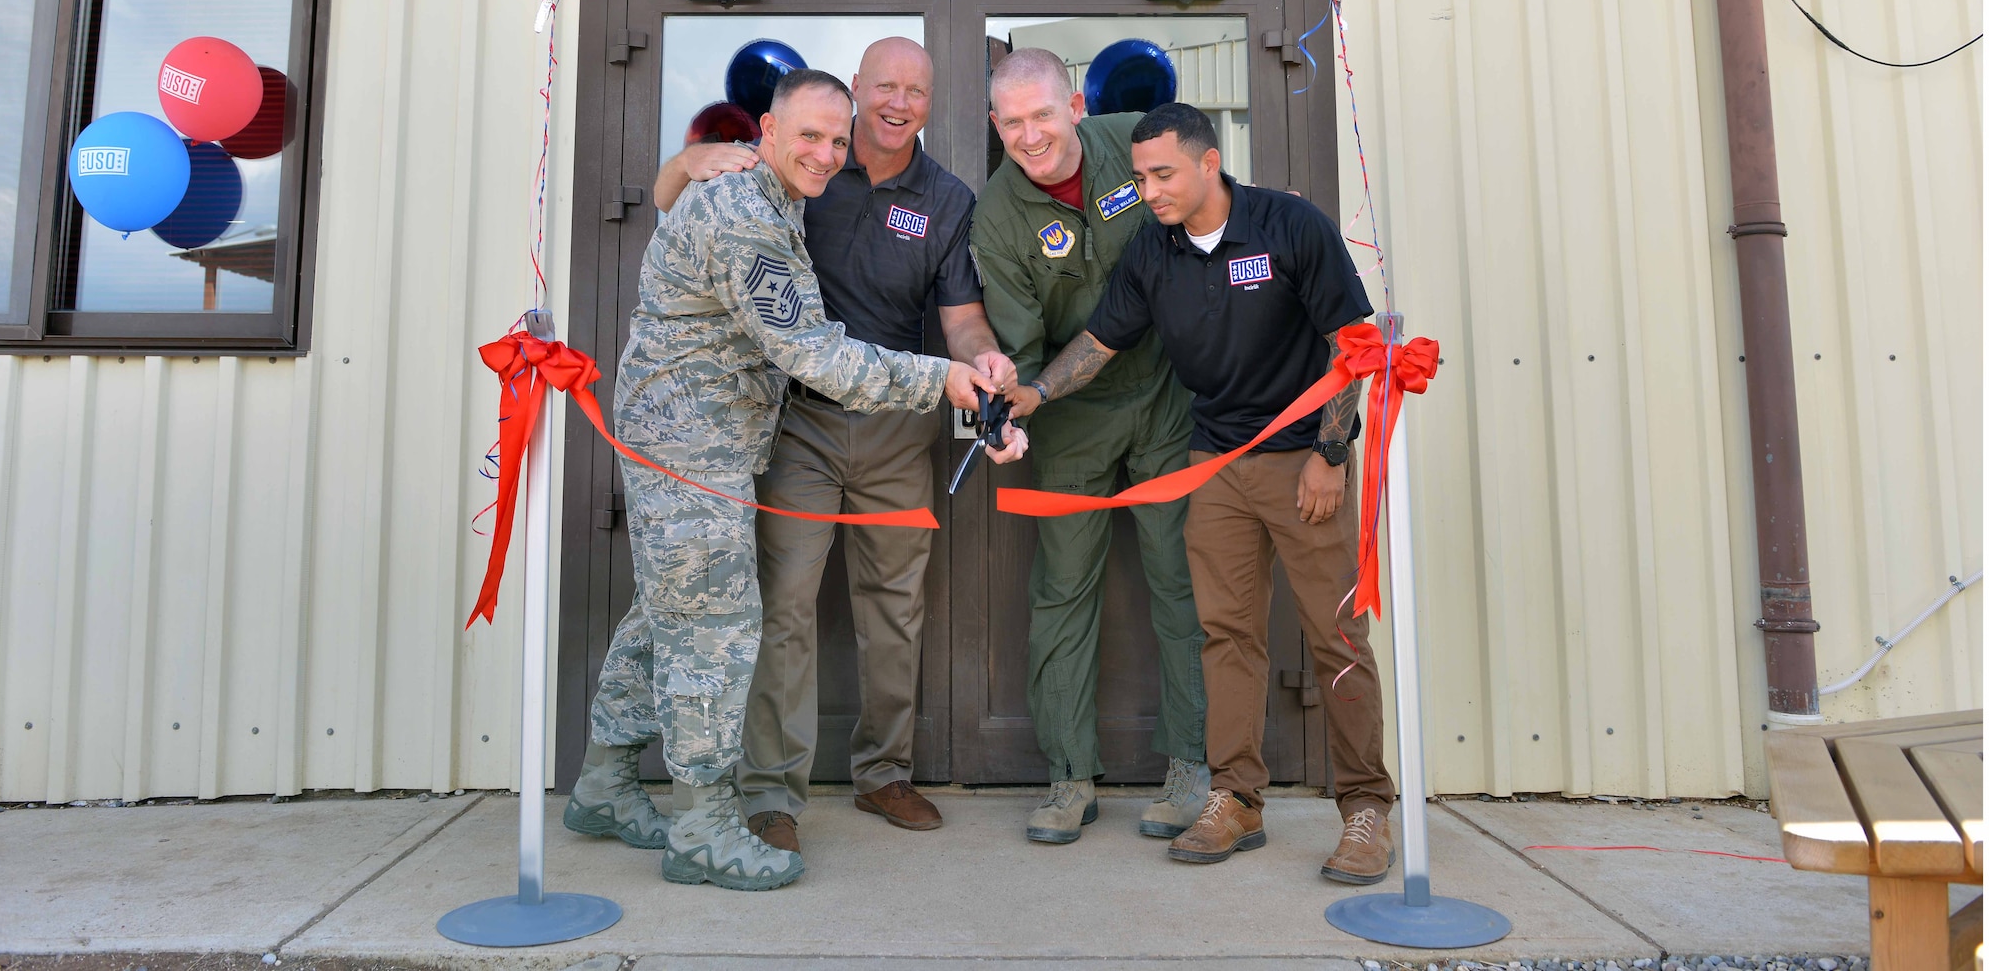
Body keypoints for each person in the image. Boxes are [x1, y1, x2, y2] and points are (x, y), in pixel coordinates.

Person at [562, 68, 1026, 893]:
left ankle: (605, 780)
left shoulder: (776, 197)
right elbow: (811, 350)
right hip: (692, 447)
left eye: (836, 140)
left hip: (705, 441)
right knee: (713, 629)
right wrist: (941, 380)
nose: (825, 153)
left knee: (664, 614)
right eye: (808, 135)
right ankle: (704, 826)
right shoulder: (746, 213)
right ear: (766, 133)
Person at [1015, 101, 1396, 883]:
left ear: (1208, 163)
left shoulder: (1290, 226)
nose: (1149, 191)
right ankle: (1236, 796)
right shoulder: (1152, 251)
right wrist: (1036, 393)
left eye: (1163, 174)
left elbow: (1351, 343)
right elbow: (1101, 340)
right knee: (1226, 635)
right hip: (1215, 461)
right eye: (1140, 177)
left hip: (1303, 461)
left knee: (1335, 636)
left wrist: (1330, 453)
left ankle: (1366, 807)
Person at [970, 48, 1210, 846]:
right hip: (1069, 409)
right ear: (996, 124)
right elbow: (1021, 347)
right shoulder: (996, 214)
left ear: (1075, 106)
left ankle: (1192, 764)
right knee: (1064, 590)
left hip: (1167, 393)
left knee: (1182, 577)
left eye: (1043, 114)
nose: (1030, 135)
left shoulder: (1134, 142)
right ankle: (1070, 775)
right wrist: (1012, 410)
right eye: (1012, 122)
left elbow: (1208, 218)